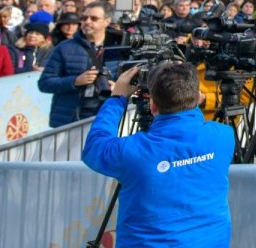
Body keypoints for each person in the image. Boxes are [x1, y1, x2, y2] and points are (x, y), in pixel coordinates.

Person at [82, 63, 234, 248]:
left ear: (153, 106)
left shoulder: (132, 151)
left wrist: (117, 98)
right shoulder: (224, 136)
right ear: (198, 97)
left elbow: (94, 147)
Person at [38, 1, 118, 127]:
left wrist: (118, 87)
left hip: (106, 117)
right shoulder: (64, 47)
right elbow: (44, 83)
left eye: (94, 18)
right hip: (70, 119)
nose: (87, 22)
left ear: (107, 21)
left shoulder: (119, 48)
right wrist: (75, 81)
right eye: (84, 18)